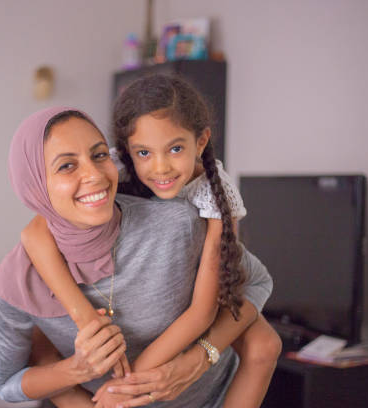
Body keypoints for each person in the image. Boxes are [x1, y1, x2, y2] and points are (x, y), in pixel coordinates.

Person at [21, 76, 282, 407]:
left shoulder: (216, 198)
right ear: (128, 149)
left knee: (264, 343)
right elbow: (33, 233)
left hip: (214, 286)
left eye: (175, 149)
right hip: (120, 292)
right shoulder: (111, 167)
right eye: (144, 152)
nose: (160, 167)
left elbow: (203, 311)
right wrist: (85, 315)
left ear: (201, 142)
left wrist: (126, 384)